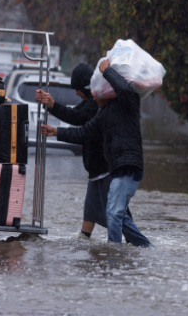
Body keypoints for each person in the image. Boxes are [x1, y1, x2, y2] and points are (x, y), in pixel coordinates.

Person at [41, 59, 151, 247]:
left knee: (115, 213)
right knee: (114, 213)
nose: (92, 97)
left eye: (95, 94)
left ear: (103, 92)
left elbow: (123, 90)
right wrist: (56, 132)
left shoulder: (127, 103)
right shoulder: (102, 112)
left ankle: (119, 250)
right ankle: (134, 248)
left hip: (125, 166)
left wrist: (107, 71)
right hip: (113, 168)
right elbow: (83, 131)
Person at [35, 63, 108, 239]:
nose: (76, 93)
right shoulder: (89, 102)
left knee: (117, 215)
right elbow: (72, 113)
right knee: (91, 210)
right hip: (95, 169)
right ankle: (84, 238)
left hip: (105, 169)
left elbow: (78, 120)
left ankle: (130, 245)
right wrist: (51, 104)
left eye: (77, 89)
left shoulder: (95, 106)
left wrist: (56, 130)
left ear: (85, 87)